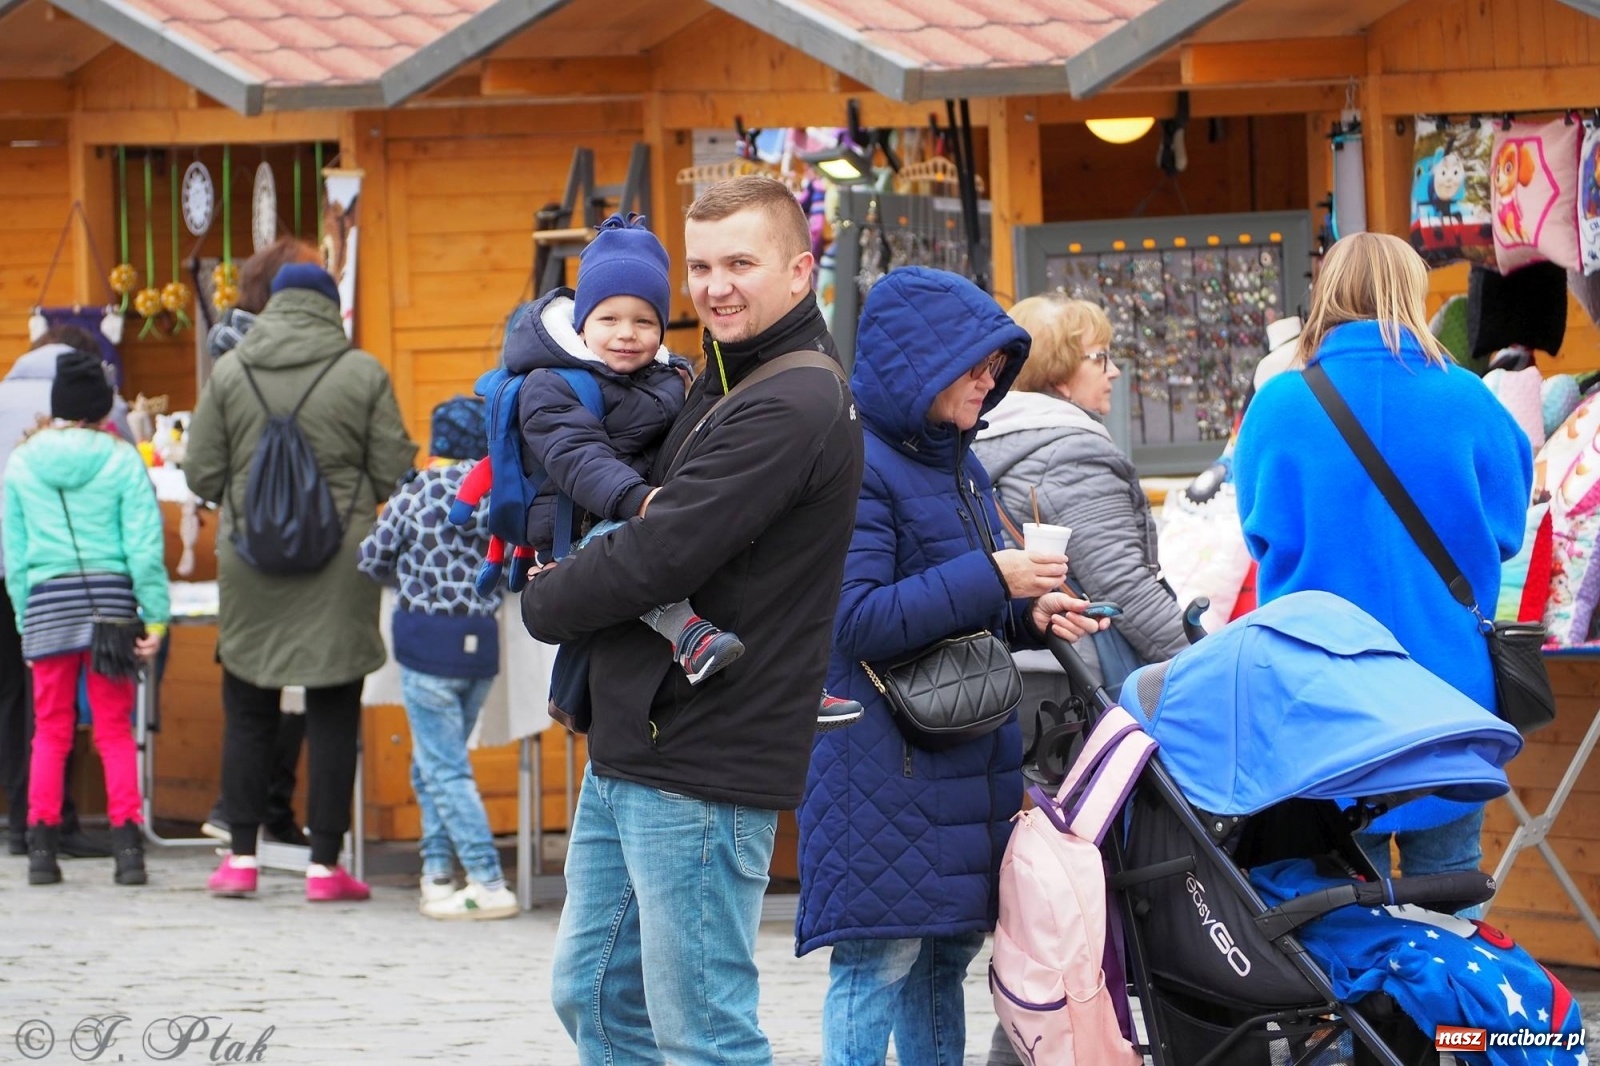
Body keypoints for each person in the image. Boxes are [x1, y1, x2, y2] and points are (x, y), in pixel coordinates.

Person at [524, 174, 864, 1065]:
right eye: (704, 265)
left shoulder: (794, 400)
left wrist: (547, 598)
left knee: (702, 1033)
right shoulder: (716, 378)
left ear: (800, 272)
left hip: (707, 753)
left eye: (741, 263)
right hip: (640, 736)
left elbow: (662, 552)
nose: (717, 286)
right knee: (593, 997)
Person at [794, 266, 1106, 1065]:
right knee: (880, 961)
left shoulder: (957, 464)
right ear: (915, 369)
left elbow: (955, 601)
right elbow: (858, 620)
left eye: (995, 364)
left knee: (943, 958)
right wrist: (994, 578)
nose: (988, 379)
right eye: (971, 365)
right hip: (884, 763)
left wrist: (1029, 613)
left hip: (958, 759)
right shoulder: (859, 465)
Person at [1234, 232, 1533, 894]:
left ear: (1327, 296)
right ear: (1412, 293)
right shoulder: (1469, 398)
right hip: (1447, 686)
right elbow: (1507, 530)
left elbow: (1260, 533)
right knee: (1449, 893)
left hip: (1321, 690)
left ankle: (1355, 1003)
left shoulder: (1277, 405)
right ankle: (1448, 998)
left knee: (1337, 907)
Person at [508, 213, 860, 723]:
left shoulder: (675, 378)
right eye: (609, 320)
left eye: (644, 322)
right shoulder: (553, 385)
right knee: (641, 556)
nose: (627, 334)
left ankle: (794, 683)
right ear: (582, 324)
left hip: (643, 512)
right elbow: (578, 460)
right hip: (586, 521)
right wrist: (642, 501)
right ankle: (689, 637)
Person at [184, 262, 416, 902]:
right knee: (333, 709)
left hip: (249, 560)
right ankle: (323, 868)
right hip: (339, 559)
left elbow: (201, 475)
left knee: (249, 709)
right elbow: (396, 467)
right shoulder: (361, 372)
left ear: (274, 307)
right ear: (330, 309)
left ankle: (240, 860)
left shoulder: (230, 371)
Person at [973, 295, 1188, 705]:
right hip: (1078, 682)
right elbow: (1125, 587)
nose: (1114, 372)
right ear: (1059, 372)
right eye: (1100, 357)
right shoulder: (1068, 454)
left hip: (1025, 672)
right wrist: (1209, 665)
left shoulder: (995, 436)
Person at [3, 349, 167, 886]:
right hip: (112, 608)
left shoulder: (22, 462)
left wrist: (27, 622)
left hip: (48, 605)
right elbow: (143, 548)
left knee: (49, 732)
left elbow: (16, 552)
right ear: (101, 408)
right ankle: (128, 854)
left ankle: (42, 853)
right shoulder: (122, 460)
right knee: (114, 730)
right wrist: (157, 618)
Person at [357, 396, 518, 921]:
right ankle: (435, 874)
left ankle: (487, 879)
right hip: (480, 647)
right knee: (434, 762)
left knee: (445, 768)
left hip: (426, 644)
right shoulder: (499, 496)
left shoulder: (416, 493)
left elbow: (373, 557)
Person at [198, 237, 323, 848]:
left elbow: (205, 466)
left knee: (259, 682)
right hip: (307, 537)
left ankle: (255, 814)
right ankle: (258, 812)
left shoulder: (225, 346)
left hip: (244, 540)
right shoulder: (309, 354)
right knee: (293, 684)